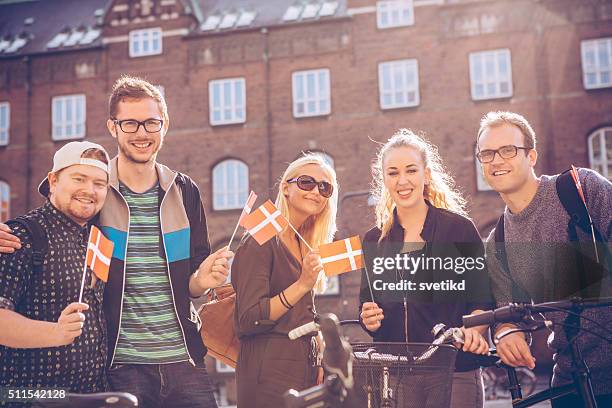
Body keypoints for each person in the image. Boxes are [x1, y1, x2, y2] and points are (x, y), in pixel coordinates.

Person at [0, 76, 232, 407]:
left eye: (151, 123)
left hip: (184, 360)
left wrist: (201, 281)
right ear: (113, 127)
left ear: (164, 126)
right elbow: (52, 220)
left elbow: (193, 283)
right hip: (120, 365)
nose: (142, 133)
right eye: (130, 123)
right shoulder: (95, 193)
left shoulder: (185, 191)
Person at [476, 111, 611, 407]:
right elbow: (508, 314)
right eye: (486, 154)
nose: (496, 160)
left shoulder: (580, 190)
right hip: (570, 385)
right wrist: (507, 333)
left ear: (532, 156)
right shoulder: (497, 243)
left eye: (508, 150)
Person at [359, 129, 493, 408]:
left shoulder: (458, 230)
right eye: (393, 173)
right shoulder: (374, 240)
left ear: (426, 174)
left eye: (411, 170)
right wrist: (368, 319)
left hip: (454, 371)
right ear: (384, 179)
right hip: (397, 376)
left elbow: (482, 300)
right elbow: (368, 308)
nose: (403, 180)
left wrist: (474, 332)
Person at [0, 141, 110, 394]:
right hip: (32, 398)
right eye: (79, 178)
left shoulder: (95, 238)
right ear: (53, 181)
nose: (89, 190)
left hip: (92, 396)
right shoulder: (20, 235)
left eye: (99, 183)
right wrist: (56, 333)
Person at [230, 154, 338, 408]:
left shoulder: (305, 243)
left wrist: (319, 349)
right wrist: (302, 284)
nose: (316, 192)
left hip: (306, 367)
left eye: (325, 187)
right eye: (306, 182)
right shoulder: (262, 237)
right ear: (285, 188)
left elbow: (300, 312)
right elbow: (249, 318)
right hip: (269, 368)